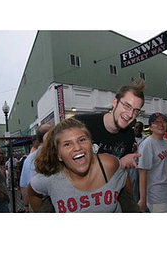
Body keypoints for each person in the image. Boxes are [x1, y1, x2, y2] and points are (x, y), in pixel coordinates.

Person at [28, 118, 129, 213]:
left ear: (91, 145)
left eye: (82, 140)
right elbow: (32, 193)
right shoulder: (50, 179)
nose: (77, 147)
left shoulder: (108, 164)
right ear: (59, 155)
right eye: (67, 144)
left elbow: (125, 180)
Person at [74, 78, 146, 212]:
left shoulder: (128, 135)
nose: (130, 114)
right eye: (127, 106)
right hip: (78, 201)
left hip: (108, 200)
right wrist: (118, 162)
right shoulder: (82, 123)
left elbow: (122, 174)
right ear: (115, 102)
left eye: (136, 111)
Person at [20, 123, 52, 212]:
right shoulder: (58, 155)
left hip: (34, 204)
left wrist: (26, 205)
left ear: (37, 139)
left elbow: (23, 186)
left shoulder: (28, 159)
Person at [129, 121, 147, 202]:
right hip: (133, 165)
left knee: (143, 184)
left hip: (143, 165)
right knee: (134, 185)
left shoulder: (146, 139)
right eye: (136, 127)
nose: (137, 129)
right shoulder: (129, 138)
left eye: (139, 128)